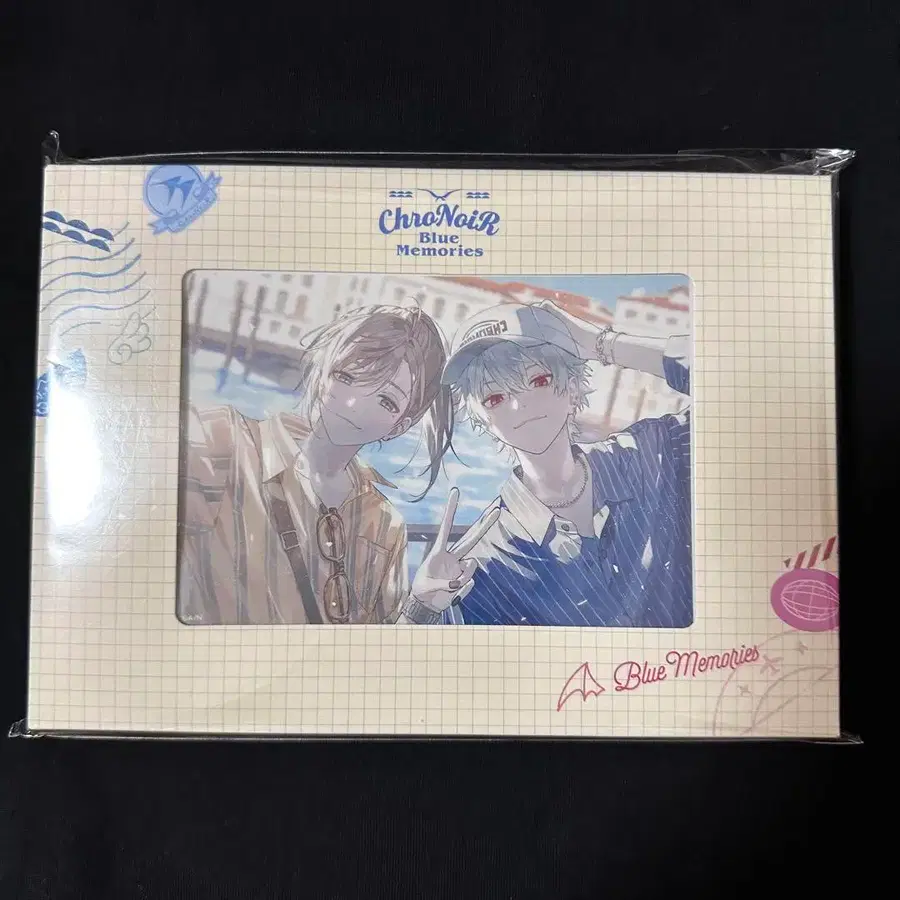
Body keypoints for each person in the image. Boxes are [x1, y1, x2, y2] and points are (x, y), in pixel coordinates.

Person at [178, 303, 491, 625]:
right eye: (347, 376)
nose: (353, 403)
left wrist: (421, 605)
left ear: (399, 426)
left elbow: (380, 646)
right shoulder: (225, 441)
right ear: (324, 369)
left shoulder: (383, 524)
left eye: (386, 401)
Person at [406, 299, 693, 628]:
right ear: (484, 422)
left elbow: (730, 380)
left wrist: (601, 344)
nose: (519, 406)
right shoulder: (484, 559)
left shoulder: (652, 453)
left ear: (572, 388)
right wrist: (421, 608)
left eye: (538, 381)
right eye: (495, 399)